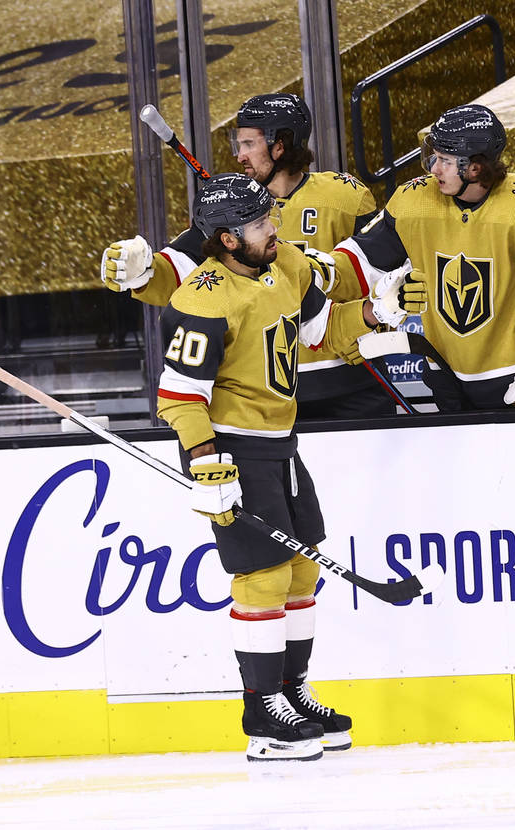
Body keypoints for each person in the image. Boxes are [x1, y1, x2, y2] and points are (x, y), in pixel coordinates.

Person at [155, 174, 398, 762]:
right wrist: (206, 462)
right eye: (262, 223)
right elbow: (179, 394)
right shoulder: (202, 298)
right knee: (261, 577)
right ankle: (262, 710)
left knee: (301, 572)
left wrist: (371, 312)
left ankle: (292, 691)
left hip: (283, 444)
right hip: (235, 451)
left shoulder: (285, 263)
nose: (276, 229)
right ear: (227, 240)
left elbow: (317, 334)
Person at [102, 92, 394, 419]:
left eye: (248, 144)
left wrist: (329, 280)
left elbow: (382, 266)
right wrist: (141, 271)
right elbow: (180, 271)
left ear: (280, 144)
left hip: (351, 380)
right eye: (237, 145)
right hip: (264, 391)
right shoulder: (229, 206)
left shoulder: (344, 195)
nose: (239, 155)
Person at [328, 103, 515, 410]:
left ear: (475, 167)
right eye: (434, 156)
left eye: (446, 160)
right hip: (442, 372)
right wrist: (317, 273)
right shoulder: (413, 200)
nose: (433, 168)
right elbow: (360, 259)